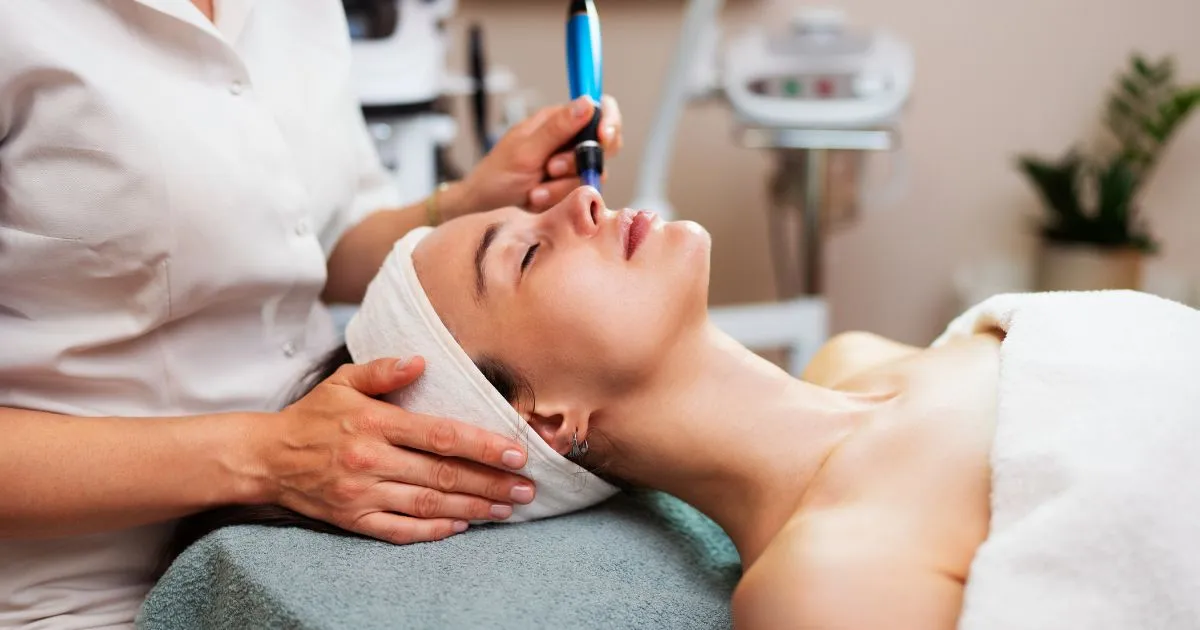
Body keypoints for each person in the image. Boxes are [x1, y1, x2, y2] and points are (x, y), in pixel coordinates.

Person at [0, 1, 624, 627]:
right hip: (71, 593)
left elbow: (315, 244)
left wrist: (469, 202)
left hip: (300, 539)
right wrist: (268, 457)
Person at [166, 186, 1004, 628]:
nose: (582, 204)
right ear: (543, 422)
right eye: (527, 252)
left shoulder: (861, 357)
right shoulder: (830, 585)